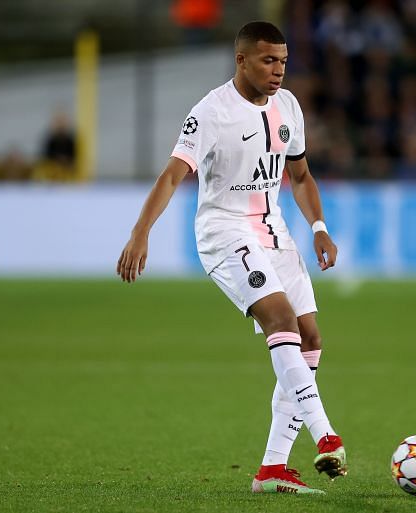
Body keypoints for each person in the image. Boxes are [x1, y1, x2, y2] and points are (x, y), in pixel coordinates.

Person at [116, 21, 347, 495]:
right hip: (224, 231)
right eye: (268, 60)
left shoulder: (289, 107)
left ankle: (273, 469)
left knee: (310, 339)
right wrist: (141, 232)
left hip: (275, 231)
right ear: (241, 60)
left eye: (283, 61)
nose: (278, 70)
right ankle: (325, 434)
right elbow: (173, 174)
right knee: (280, 317)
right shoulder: (211, 112)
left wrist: (319, 228)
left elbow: (300, 177)